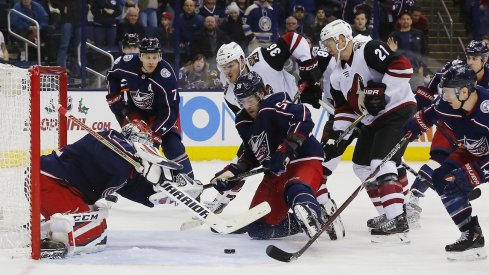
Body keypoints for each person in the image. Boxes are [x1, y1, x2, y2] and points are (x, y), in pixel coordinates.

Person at [39, 122, 202, 258]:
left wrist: (170, 193)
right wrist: (138, 159)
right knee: (87, 235)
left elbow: (142, 191)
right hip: (47, 180)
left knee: (98, 229)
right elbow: (114, 153)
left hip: (60, 186)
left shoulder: (127, 169)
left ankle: (47, 231)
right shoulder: (109, 138)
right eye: (146, 141)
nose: (150, 146)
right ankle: (43, 240)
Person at [320, 19, 416, 242]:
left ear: (343, 39)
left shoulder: (368, 48)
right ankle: (387, 214)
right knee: (361, 166)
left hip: (397, 109)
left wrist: (382, 91)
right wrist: (337, 136)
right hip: (373, 119)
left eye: (329, 43)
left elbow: (403, 66)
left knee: (380, 162)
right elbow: (344, 109)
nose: (327, 48)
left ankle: (398, 220)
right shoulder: (336, 74)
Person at [211, 71, 325, 239]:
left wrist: (286, 149)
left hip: (303, 159)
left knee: (296, 189)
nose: (248, 106)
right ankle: (300, 221)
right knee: (258, 228)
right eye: (242, 101)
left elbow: (303, 115)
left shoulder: (273, 104)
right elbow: (252, 152)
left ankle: (312, 213)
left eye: (250, 99)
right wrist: (234, 171)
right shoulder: (242, 121)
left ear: (261, 93)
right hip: (275, 171)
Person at [403, 64, 488, 261]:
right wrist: (413, 127)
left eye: (448, 92)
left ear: (464, 91)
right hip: (472, 150)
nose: (445, 96)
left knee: (462, 178)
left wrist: (477, 172)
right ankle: (471, 234)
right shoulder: (448, 104)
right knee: (441, 177)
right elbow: (429, 114)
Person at [106, 37, 195, 181]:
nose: (151, 61)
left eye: (155, 57)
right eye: (147, 57)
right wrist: (115, 99)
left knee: (173, 146)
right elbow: (112, 76)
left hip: (162, 115)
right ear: (140, 55)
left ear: (160, 56)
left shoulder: (166, 75)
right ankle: (136, 184)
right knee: (134, 148)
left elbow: (170, 111)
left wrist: (155, 134)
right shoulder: (127, 63)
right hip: (138, 113)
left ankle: (190, 183)